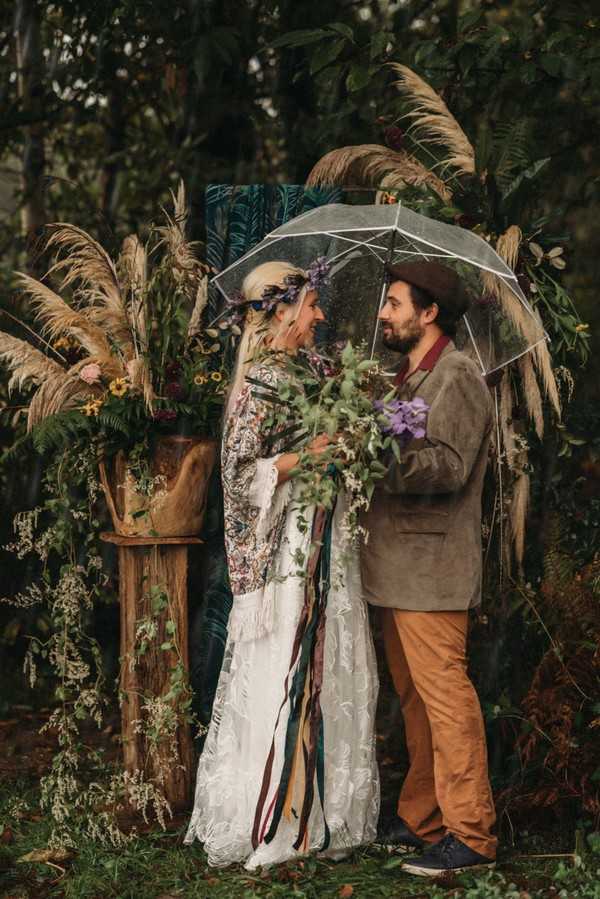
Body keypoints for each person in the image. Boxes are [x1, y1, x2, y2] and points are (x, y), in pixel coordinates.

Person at [185, 260, 379, 869]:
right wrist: (308, 455)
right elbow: (241, 475)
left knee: (335, 651)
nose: (320, 317)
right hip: (290, 549)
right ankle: (278, 813)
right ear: (282, 309)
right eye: (314, 305)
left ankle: (328, 811)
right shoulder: (259, 380)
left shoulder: (311, 370)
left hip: (327, 539)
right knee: (289, 655)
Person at [361, 260, 497, 877]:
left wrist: (370, 452)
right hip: (394, 566)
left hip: (433, 569)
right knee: (414, 700)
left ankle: (470, 835)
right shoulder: (401, 376)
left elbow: (446, 467)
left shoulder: (458, 376)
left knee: (446, 701)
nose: (383, 314)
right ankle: (423, 818)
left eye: (392, 303)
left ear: (428, 311)